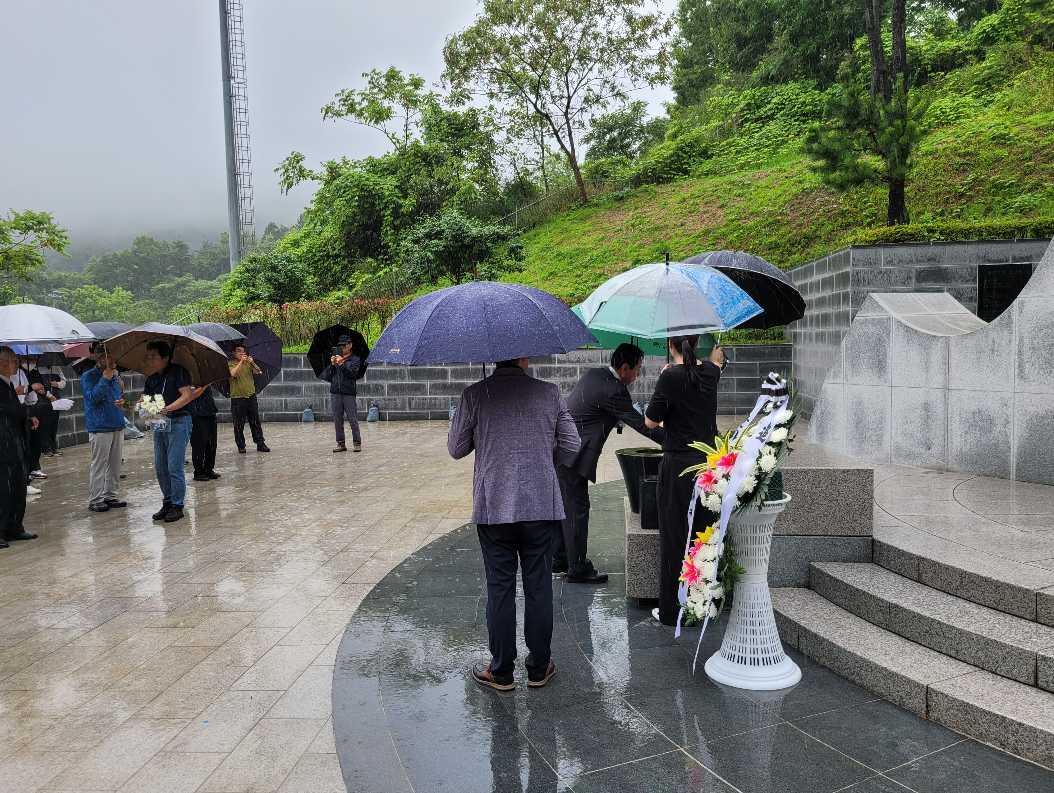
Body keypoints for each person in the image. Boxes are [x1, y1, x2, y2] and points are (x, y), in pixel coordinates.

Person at [448, 357, 581, 690]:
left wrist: (480, 425)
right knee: (538, 586)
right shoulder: (549, 393)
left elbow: (456, 448)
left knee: (500, 587)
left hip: (494, 507)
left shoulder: (475, 395)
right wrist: (543, 456)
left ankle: (502, 671)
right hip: (541, 507)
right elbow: (572, 444)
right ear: (525, 357)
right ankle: (538, 668)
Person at [554, 344, 665, 584]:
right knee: (576, 509)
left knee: (564, 506)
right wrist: (674, 442)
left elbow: (595, 409)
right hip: (573, 455)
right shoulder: (614, 390)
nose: (637, 376)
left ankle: (560, 558)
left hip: (561, 450)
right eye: (636, 370)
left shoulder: (595, 374)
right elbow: (643, 425)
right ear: (624, 368)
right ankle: (577, 568)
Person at [644, 335, 726, 626]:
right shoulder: (712, 373)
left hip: (678, 468)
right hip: (708, 467)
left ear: (670, 344)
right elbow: (713, 366)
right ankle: (703, 606)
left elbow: (651, 421)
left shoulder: (670, 376)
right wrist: (717, 359)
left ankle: (671, 611)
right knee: (704, 537)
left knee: (674, 537)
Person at [139, 341, 196, 523]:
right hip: (159, 422)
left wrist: (168, 408)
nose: (150, 360)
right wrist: (139, 405)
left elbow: (187, 395)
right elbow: (147, 401)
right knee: (161, 466)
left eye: (153, 356)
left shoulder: (178, 372)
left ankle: (177, 505)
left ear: (165, 357)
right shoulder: (152, 379)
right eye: (148, 357)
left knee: (174, 465)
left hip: (179, 420)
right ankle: (168, 501)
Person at [81, 342, 126, 513]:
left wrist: (122, 401)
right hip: (99, 426)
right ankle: (96, 499)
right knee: (99, 464)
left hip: (117, 422)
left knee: (115, 464)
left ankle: (111, 495)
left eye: (110, 356)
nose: (107, 360)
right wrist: (105, 377)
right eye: (103, 356)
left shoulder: (116, 376)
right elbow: (93, 398)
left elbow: (118, 396)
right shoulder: (88, 376)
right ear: (97, 358)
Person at [0, 346, 38, 547]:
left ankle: (14, 527)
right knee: (4, 489)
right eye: (13, 361)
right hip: (4, 446)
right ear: (3, 363)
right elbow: (9, 410)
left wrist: (27, 416)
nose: (16, 364)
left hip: (15, 443)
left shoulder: (8, 383)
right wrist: (25, 412)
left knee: (17, 487)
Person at [321, 335, 363, 453]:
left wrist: (342, 364)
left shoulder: (355, 359)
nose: (342, 348)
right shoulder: (335, 358)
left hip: (348, 393)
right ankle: (340, 443)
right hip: (335, 392)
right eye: (340, 346)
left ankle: (357, 442)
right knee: (337, 419)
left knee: (352, 418)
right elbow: (328, 376)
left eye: (344, 345)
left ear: (350, 345)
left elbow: (353, 375)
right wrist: (332, 365)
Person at [228, 343, 269, 454]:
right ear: (234, 353)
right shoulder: (230, 363)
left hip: (251, 396)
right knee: (238, 424)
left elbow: (258, 371)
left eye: (243, 351)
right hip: (237, 398)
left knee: (255, 421)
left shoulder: (248, 363)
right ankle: (241, 445)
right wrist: (241, 362)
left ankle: (260, 443)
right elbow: (232, 374)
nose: (242, 353)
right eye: (239, 351)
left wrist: (252, 362)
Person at [188, 384, 220, 481]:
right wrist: (206, 385)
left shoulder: (205, 375)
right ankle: (198, 472)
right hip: (197, 413)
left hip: (210, 411)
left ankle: (209, 469)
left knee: (212, 443)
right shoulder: (188, 377)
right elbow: (192, 395)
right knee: (199, 444)